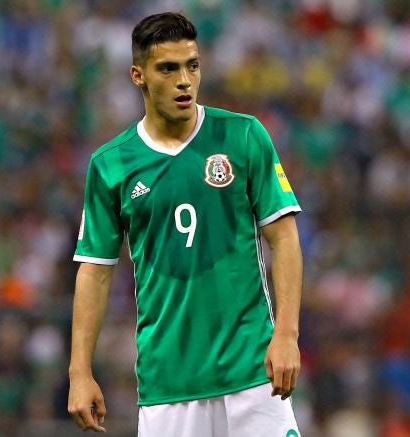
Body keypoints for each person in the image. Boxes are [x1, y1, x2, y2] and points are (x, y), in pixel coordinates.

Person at [67, 12, 303, 436]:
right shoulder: (110, 164)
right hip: (168, 385)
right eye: (168, 68)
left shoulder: (243, 136)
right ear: (138, 76)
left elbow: (283, 238)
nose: (184, 80)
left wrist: (286, 332)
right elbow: (95, 270)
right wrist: (79, 372)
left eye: (192, 66)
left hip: (253, 374)